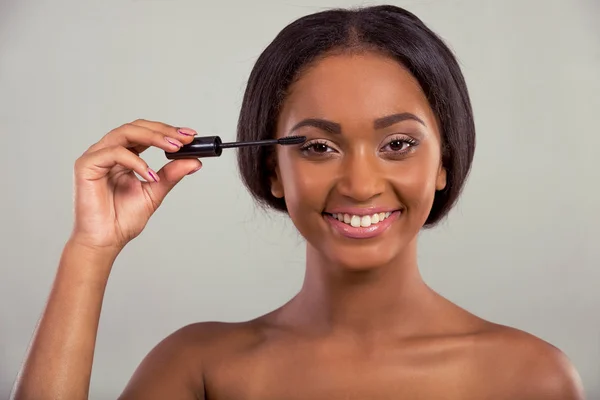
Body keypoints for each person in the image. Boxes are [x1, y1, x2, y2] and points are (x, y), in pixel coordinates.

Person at [11, 5, 585, 400]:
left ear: (442, 163)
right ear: (273, 169)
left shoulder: (528, 376)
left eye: (398, 144)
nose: (360, 183)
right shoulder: (200, 368)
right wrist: (90, 251)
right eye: (317, 146)